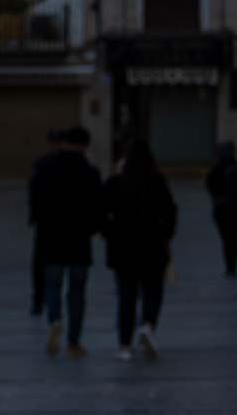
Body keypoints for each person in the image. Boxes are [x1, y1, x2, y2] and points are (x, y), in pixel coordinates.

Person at [30, 126, 103, 359]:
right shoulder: (89, 171)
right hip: (79, 240)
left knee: (53, 284)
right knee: (77, 291)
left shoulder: (44, 167)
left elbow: (34, 198)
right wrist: (94, 228)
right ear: (84, 145)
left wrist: (39, 221)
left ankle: (54, 319)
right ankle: (73, 341)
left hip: (51, 237)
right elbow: (97, 204)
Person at [104, 141, 177, 360]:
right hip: (152, 246)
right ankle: (148, 325)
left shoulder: (116, 183)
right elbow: (170, 211)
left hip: (124, 249)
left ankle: (125, 345)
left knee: (126, 296)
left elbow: (101, 211)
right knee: (153, 291)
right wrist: (166, 234)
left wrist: (110, 233)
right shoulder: (157, 181)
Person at [28, 130, 66, 315]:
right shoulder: (44, 163)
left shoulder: (44, 164)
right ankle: (41, 298)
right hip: (51, 220)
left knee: (45, 262)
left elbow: (33, 191)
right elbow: (34, 191)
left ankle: (42, 299)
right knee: (44, 262)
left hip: (50, 221)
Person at [206, 140, 237, 278]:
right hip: (229, 210)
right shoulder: (232, 169)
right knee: (231, 240)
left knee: (228, 240)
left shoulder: (218, 169)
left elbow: (210, 185)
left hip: (224, 211)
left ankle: (230, 267)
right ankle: (231, 266)